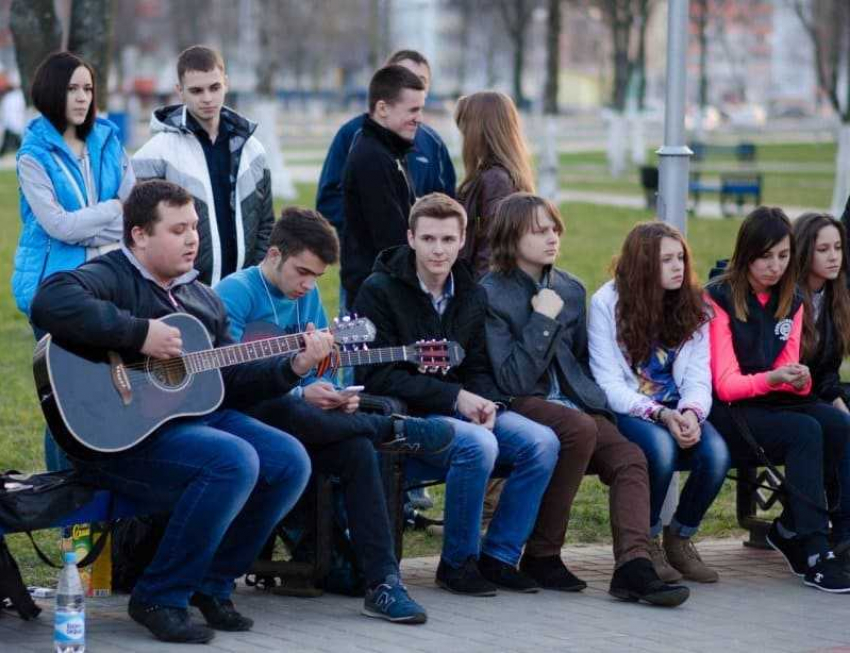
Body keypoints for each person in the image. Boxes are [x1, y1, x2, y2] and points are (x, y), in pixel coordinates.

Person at [30, 180, 317, 642]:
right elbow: (50, 301)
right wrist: (138, 334)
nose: (192, 240)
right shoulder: (112, 275)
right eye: (178, 229)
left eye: (195, 229)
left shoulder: (200, 298)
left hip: (187, 423)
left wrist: (293, 366)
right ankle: (160, 595)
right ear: (140, 235)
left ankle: (212, 584)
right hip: (118, 435)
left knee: (288, 461)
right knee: (232, 460)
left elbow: (230, 381)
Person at [215, 206, 456, 624]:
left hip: (301, 421)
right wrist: (299, 389)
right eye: (301, 272)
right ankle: (392, 427)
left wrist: (334, 393)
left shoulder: (306, 298)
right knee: (288, 407)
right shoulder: (236, 293)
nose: (308, 285)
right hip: (241, 417)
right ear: (274, 255)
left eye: (317, 278)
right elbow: (228, 378)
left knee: (358, 450)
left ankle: (383, 583)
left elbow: (324, 366)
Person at [482, 193, 689, 607]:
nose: (551, 237)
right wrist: (542, 319)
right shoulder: (490, 293)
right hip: (520, 400)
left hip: (574, 403)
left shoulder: (571, 289)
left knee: (630, 457)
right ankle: (543, 553)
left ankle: (633, 567)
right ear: (511, 236)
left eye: (554, 228)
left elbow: (579, 361)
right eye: (539, 230)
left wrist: (598, 403)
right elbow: (512, 378)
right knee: (577, 429)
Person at [354, 192, 560, 596]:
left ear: (462, 240)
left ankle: (499, 557)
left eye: (448, 240)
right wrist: (453, 398)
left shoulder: (471, 291)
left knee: (542, 442)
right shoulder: (379, 290)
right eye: (428, 239)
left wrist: (486, 402)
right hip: (408, 417)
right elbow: (375, 376)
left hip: (464, 409)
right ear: (410, 238)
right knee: (479, 446)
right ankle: (457, 563)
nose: (438, 250)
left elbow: (478, 365)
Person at [706, 206, 850, 592]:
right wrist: (775, 378)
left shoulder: (793, 298)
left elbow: (791, 379)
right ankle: (816, 551)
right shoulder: (719, 297)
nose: (774, 266)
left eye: (783, 256)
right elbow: (726, 384)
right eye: (765, 256)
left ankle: (811, 531)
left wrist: (799, 379)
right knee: (803, 431)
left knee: (837, 423)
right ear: (745, 254)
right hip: (729, 412)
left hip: (769, 402)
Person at [10, 51, 134, 472]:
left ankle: (107, 492)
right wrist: (113, 210)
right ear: (50, 91)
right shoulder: (33, 156)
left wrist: (107, 216)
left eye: (87, 88)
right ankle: (67, 502)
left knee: (113, 390)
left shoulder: (108, 139)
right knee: (67, 398)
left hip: (110, 281)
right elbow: (60, 226)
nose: (82, 97)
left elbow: (133, 208)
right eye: (71, 89)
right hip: (56, 290)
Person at [588, 221, 730, 583]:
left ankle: (680, 538)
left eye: (680, 257)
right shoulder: (607, 303)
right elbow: (607, 384)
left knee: (715, 455)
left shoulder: (694, 304)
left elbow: (699, 376)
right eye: (666, 259)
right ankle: (646, 540)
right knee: (660, 452)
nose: (678, 266)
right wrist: (661, 414)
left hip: (679, 408)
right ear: (642, 264)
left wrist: (692, 413)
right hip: (632, 407)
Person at [132, 45, 273, 286]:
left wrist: (253, 281)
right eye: (196, 90)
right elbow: (140, 232)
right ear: (180, 91)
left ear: (226, 83)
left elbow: (266, 224)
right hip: (180, 292)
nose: (207, 98)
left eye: (214, 87)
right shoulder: (155, 154)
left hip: (243, 291)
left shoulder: (253, 150)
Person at [316, 49, 456, 238]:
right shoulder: (351, 134)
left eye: (420, 81)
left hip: (419, 261)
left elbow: (449, 206)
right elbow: (328, 202)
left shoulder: (433, 143)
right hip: (366, 263)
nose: (411, 85)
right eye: (403, 76)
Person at [339, 64, 426, 311]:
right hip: (375, 296)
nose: (419, 118)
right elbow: (391, 238)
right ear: (383, 108)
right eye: (413, 109)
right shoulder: (372, 157)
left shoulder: (392, 150)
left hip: (386, 290)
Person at [793, 212, 850, 547]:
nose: (834, 257)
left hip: (816, 392)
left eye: (838, 248)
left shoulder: (834, 296)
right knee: (838, 428)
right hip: (781, 397)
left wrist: (836, 399)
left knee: (841, 421)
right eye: (823, 249)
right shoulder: (788, 297)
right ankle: (842, 533)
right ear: (804, 252)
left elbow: (827, 368)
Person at [455, 91, 535, 279]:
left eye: (464, 127)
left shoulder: (495, 179)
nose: (462, 135)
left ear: (479, 129)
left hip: (482, 291)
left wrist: (475, 297)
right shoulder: (502, 174)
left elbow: (492, 250)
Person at [0, 79, 24, 156]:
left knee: (16, 126)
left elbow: (4, 83)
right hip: (9, 97)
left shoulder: (14, 96)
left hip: (14, 96)